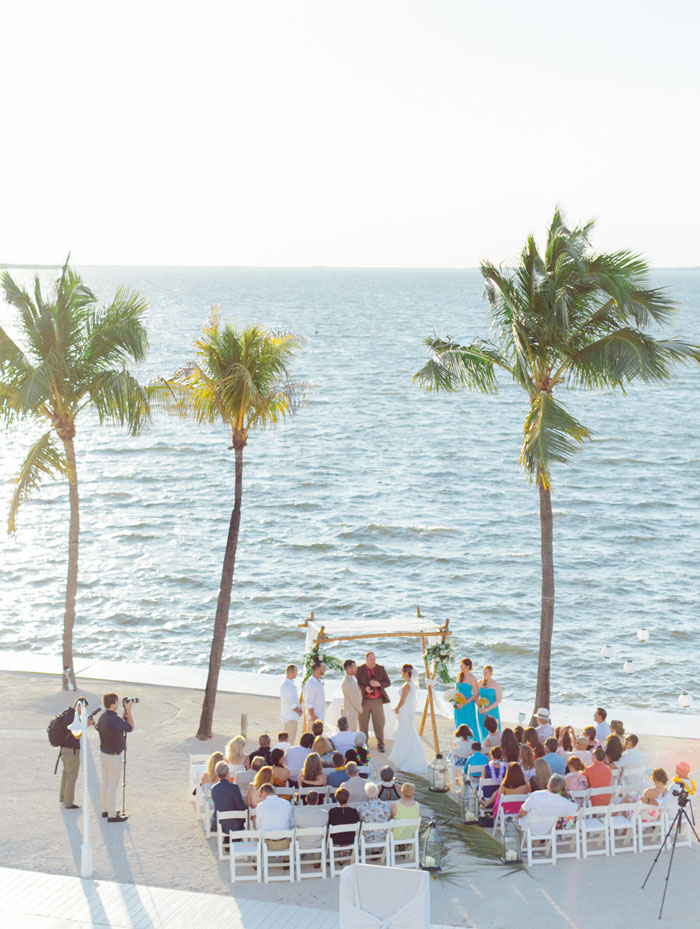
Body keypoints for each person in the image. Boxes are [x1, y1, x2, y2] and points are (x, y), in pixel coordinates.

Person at [95, 693, 134, 823]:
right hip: (113, 757)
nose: (118, 705)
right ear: (112, 704)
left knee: (105, 783)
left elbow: (118, 726)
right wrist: (128, 710)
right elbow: (130, 728)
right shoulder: (114, 719)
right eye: (117, 703)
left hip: (104, 754)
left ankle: (106, 809)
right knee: (113, 785)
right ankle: (112, 814)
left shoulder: (103, 717)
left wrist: (123, 716)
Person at [388, 664, 429, 774]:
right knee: (407, 732)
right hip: (406, 712)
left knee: (405, 733)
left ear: (406, 673)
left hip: (404, 712)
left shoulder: (407, 686)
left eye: (402, 671)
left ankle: (406, 758)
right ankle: (404, 756)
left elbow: (402, 700)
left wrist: (397, 708)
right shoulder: (410, 685)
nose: (401, 672)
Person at [56, 697, 92, 810]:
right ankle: (69, 802)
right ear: (80, 707)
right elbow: (76, 735)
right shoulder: (73, 717)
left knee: (66, 773)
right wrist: (86, 725)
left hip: (64, 749)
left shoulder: (66, 714)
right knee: (72, 776)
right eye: (84, 709)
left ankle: (63, 797)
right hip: (71, 750)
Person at [357, 651, 391, 753]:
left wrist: (378, 684)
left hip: (377, 700)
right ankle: (364, 744)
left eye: (374, 659)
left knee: (379, 723)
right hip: (364, 701)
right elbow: (356, 684)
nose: (373, 661)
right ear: (366, 660)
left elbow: (388, 682)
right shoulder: (359, 670)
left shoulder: (380, 669)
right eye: (371, 659)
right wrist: (365, 689)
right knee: (363, 724)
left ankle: (381, 744)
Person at [210, 761, 246, 834]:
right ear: (227, 772)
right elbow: (241, 806)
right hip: (235, 823)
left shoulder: (214, 788)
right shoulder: (234, 787)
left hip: (220, 822)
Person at [256, 784, 293, 849]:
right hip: (285, 843)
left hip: (268, 845)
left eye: (260, 796)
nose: (260, 799)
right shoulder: (286, 803)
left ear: (264, 793)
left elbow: (258, 826)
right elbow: (290, 824)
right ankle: (286, 858)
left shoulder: (260, 806)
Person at [454, 657, 480, 739]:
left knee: (469, 724)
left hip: (468, 704)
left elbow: (476, 694)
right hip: (458, 703)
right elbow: (456, 689)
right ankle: (461, 742)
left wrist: (464, 702)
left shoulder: (472, 678)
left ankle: (472, 743)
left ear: (468, 667)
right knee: (459, 723)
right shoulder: (459, 675)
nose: (461, 668)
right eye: (460, 666)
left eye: (462, 666)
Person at [477, 666, 502, 739]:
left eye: (486, 673)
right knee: (483, 728)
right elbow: (476, 696)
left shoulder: (496, 685)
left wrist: (486, 709)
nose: (484, 674)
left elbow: (499, 700)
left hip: (492, 710)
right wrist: (479, 707)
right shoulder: (480, 683)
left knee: (493, 729)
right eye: (483, 673)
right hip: (481, 710)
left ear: (491, 673)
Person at [279, 664, 302, 744]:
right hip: (290, 717)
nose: (297, 673)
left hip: (293, 716)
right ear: (291, 672)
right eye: (296, 672)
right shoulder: (286, 685)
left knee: (292, 738)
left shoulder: (290, 683)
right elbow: (291, 702)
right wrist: (298, 710)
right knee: (290, 739)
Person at [341, 660, 363, 731]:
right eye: (354, 667)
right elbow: (354, 699)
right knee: (351, 731)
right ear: (349, 669)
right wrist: (360, 710)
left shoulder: (350, 679)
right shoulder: (348, 682)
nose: (356, 668)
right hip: (350, 712)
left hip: (350, 710)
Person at [304, 661, 326, 728]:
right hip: (314, 718)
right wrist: (313, 716)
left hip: (319, 716)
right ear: (318, 669)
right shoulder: (311, 683)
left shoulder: (318, 681)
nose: (324, 669)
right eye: (323, 667)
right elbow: (309, 701)